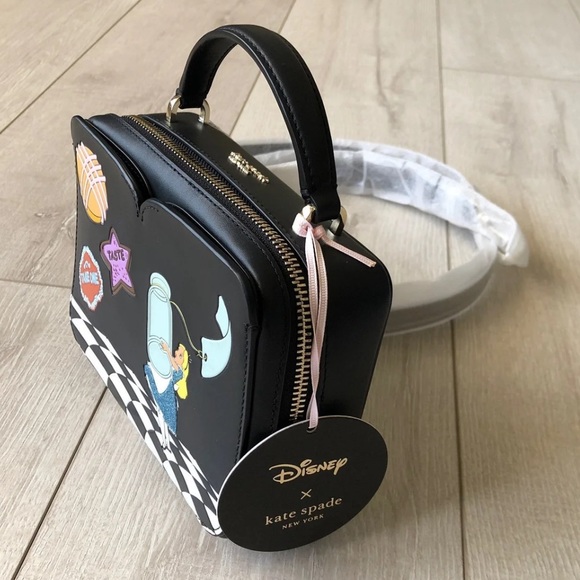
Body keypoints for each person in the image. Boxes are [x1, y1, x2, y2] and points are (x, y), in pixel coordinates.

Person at [144, 341, 189, 448]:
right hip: (162, 392)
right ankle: (164, 441)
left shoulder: (179, 370)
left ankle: (167, 442)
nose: (176, 354)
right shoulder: (170, 366)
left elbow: (174, 366)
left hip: (167, 396)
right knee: (160, 415)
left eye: (180, 355)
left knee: (165, 419)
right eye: (177, 352)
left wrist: (168, 351)